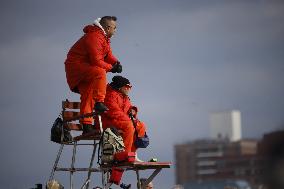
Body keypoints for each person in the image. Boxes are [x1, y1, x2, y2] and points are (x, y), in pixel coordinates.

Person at [64, 16, 122, 134]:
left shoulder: (103, 38)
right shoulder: (95, 37)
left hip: (84, 67)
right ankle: (100, 102)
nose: (116, 30)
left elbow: (108, 55)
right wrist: (112, 68)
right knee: (100, 72)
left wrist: (116, 62)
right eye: (114, 28)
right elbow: (96, 61)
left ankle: (87, 126)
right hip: (77, 67)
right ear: (108, 27)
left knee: (88, 95)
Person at [102, 76, 147, 154]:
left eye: (130, 87)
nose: (129, 88)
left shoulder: (124, 97)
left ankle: (131, 154)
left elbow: (128, 108)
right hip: (108, 121)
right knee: (129, 126)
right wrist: (129, 120)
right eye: (127, 86)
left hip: (120, 121)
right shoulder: (109, 95)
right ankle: (124, 154)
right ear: (120, 87)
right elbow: (114, 112)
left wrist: (133, 110)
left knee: (141, 126)